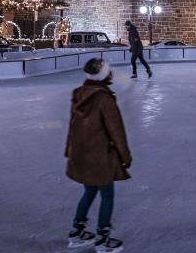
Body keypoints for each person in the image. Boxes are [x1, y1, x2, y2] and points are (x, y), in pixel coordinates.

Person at [66, 58, 130, 252]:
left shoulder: (79, 93)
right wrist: (125, 156)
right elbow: (116, 130)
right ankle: (103, 239)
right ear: (104, 74)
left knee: (89, 191)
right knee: (107, 195)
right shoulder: (103, 98)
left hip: (81, 152)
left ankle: (77, 233)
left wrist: (68, 151)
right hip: (100, 155)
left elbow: (73, 126)